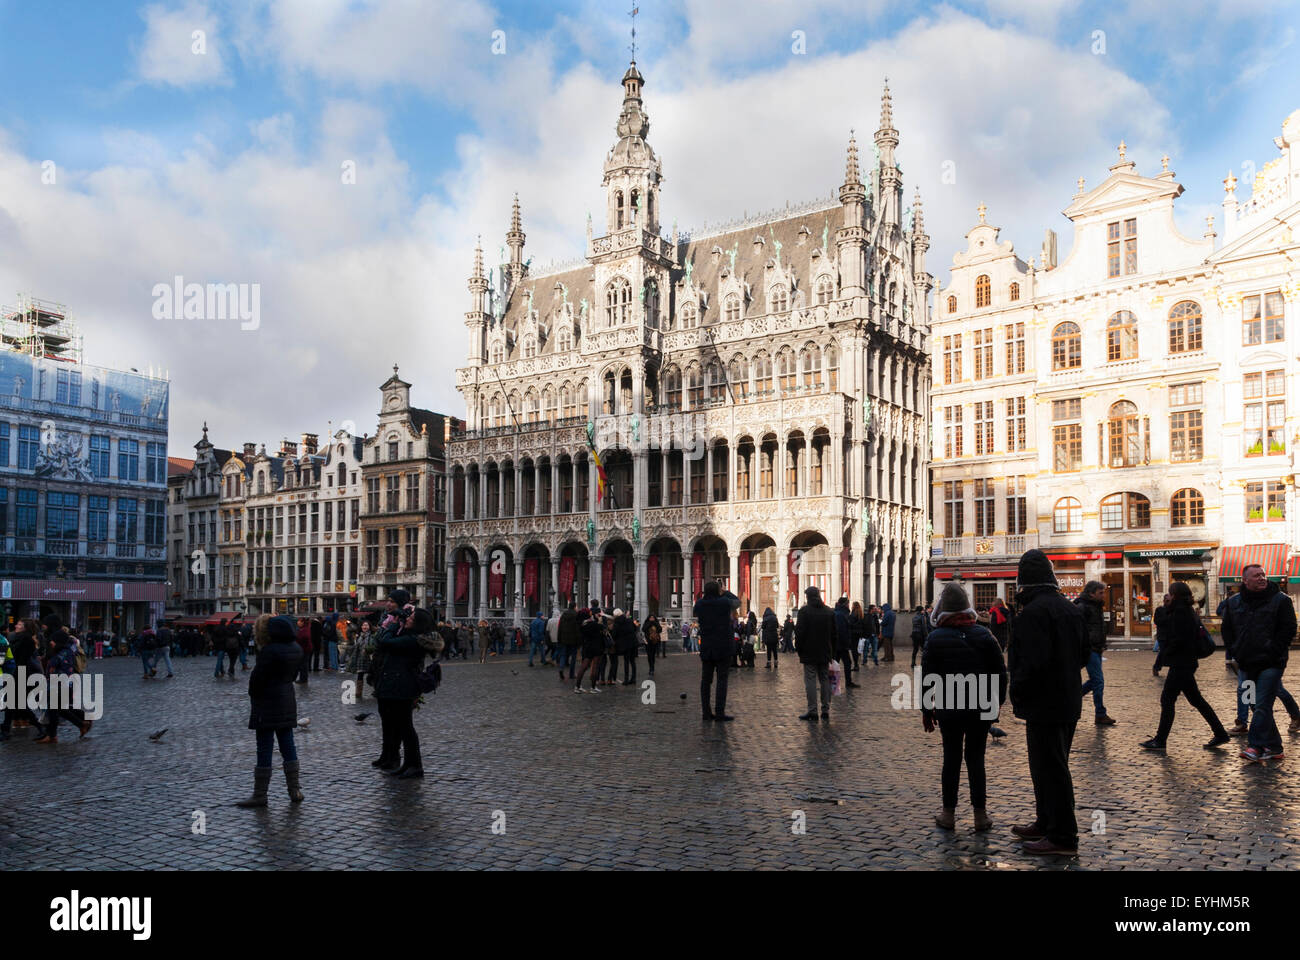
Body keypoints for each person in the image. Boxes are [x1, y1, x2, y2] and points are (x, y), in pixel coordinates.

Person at [1007, 548, 1089, 856]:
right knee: (1049, 766)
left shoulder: (1033, 613)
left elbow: (1031, 662)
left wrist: (1018, 690)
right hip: (1067, 699)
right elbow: (1084, 654)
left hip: (1044, 702)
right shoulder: (1070, 609)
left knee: (1050, 769)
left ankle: (1063, 836)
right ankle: (1046, 821)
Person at [922, 581, 1006, 831]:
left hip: (950, 707)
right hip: (980, 707)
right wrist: (996, 705)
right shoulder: (985, 635)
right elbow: (1000, 674)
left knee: (951, 759)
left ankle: (948, 814)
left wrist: (927, 711)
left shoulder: (935, 638)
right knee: (976, 759)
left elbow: (928, 678)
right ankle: (981, 815)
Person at [1141, 582, 1230, 751]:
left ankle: (1160, 740)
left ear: (1175, 595)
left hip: (1181, 663)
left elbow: (1180, 638)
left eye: (1170, 593)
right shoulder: (1186, 610)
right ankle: (1220, 733)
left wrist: (1167, 651)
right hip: (1186, 662)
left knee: (1168, 700)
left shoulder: (1181, 612)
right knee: (1196, 700)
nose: (1169, 595)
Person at [1222, 563, 1297, 763]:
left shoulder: (1281, 600)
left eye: (1263, 574)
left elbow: (1289, 629)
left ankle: (1254, 746)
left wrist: (1274, 651)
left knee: (1263, 704)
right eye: (1256, 576)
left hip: (1271, 664)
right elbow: (1227, 629)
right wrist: (1235, 650)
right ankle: (1274, 747)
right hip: (1245, 665)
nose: (1262, 578)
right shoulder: (1234, 602)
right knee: (1253, 704)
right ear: (1245, 580)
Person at [237, 615, 305, 807]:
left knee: (264, 747)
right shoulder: (296, 648)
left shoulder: (269, 651)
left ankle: (260, 794)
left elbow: (257, 679)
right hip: (287, 700)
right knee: (287, 744)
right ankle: (295, 790)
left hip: (267, 702)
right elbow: (294, 675)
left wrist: (254, 694)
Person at [372, 607, 433, 779]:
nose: (407, 619)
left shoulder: (413, 639)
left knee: (406, 728)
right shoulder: (409, 636)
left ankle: (415, 766)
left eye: (411, 617)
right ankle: (409, 763)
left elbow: (384, 641)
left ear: (417, 623)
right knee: (403, 727)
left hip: (403, 687)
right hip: (398, 686)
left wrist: (391, 625)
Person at [34, 618, 92, 743]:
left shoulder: (64, 654)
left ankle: (52, 735)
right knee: (59, 709)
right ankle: (81, 724)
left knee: (55, 709)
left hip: (59, 685)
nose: (51, 643)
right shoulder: (60, 651)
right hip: (58, 684)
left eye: (53, 641)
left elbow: (63, 671)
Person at [694, 581, 740, 721]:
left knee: (706, 681)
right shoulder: (724, 602)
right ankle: (720, 712)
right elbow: (737, 602)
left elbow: (695, 611)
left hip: (707, 647)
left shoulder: (700, 604)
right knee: (722, 680)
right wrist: (724, 592)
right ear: (718, 590)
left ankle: (706, 713)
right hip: (723, 646)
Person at [1075, 581, 1116, 726]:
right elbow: (1077, 629)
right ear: (1091, 593)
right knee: (1098, 681)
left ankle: (1073, 697)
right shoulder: (1083, 607)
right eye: (1101, 593)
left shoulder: (1096, 606)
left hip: (1097, 648)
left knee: (1095, 681)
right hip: (1089, 649)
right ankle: (1100, 713)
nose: (1103, 595)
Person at [795, 586, 836, 721]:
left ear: (808, 597)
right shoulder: (829, 612)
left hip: (809, 651)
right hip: (825, 651)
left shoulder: (804, 612)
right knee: (824, 680)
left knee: (810, 681)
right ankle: (825, 709)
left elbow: (799, 633)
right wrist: (832, 652)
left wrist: (799, 649)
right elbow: (834, 634)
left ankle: (812, 710)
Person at [574, 606, 605, 693]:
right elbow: (602, 628)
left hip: (587, 646)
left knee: (583, 666)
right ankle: (593, 687)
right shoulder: (593, 624)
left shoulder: (582, 624)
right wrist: (599, 620)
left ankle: (577, 686)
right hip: (596, 646)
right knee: (595, 666)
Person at [832, 597, 860, 689]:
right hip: (841, 644)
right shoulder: (841, 614)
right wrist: (846, 643)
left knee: (838, 663)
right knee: (844, 663)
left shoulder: (840, 613)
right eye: (848, 603)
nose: (849, 605)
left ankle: (835, 682)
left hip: (839, 644)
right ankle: (840, 682)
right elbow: (841, 630)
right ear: (845, 604)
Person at [349, 620, 375, 696]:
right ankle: (358, 692)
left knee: (373, 674)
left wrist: (368, 649)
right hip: (361, 659)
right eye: (363, 625)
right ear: (361, 627)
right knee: (360, 675)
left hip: (369, 659)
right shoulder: (359, 636)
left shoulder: (372, 636)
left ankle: (377, 689)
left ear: (369, 627)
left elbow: (374, 646)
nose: (365, 627)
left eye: (366, 625)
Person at [613, 609, 638, 684]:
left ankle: (626, 679)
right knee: (632, 661)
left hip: (624, 644)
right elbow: (635, 628)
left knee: (626, 661)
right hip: (633, 643)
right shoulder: (629, 620)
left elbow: (614, 634)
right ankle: (633, 678)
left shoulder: (617, 623)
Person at [558, 602, 581, 682]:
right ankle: (571, 674)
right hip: (573, 639)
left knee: (563, 655)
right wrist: (579, 641)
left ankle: (561, 668)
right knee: (573, 657)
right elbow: (577, 629)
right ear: (574, 607)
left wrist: (559, 639)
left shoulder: (563, 615)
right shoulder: (576, 615)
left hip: (564, 639)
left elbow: (560, 627)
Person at [911, 603, 931, 668]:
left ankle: (913, 662)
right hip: (920, 635)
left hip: (914, 634)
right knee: (924, 649)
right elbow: (924, 627)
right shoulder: (922, 617)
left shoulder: (914, 617)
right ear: (921, 611)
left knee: (915, 649)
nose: (923, 611)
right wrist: (926, 635)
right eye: (922, 610)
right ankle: (923, 663)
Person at [294, 618, 313, 684]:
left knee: (303, 665)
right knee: (303, 664)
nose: (297, 623)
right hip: (304, 649)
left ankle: (303, 679)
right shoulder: (303, 629)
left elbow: (305, 637)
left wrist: (298, 640)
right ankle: (303, 678)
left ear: (302, 622)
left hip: (304, 649)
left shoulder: (305, 629)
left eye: (299, 621)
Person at [849, 601, 866, 672]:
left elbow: (851, 623)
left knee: (854, 649)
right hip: (858, 633)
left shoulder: (854, 614)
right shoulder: (860, 614)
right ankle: (856, 664)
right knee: (855, 648)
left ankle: (856, 664)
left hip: (853, 633)